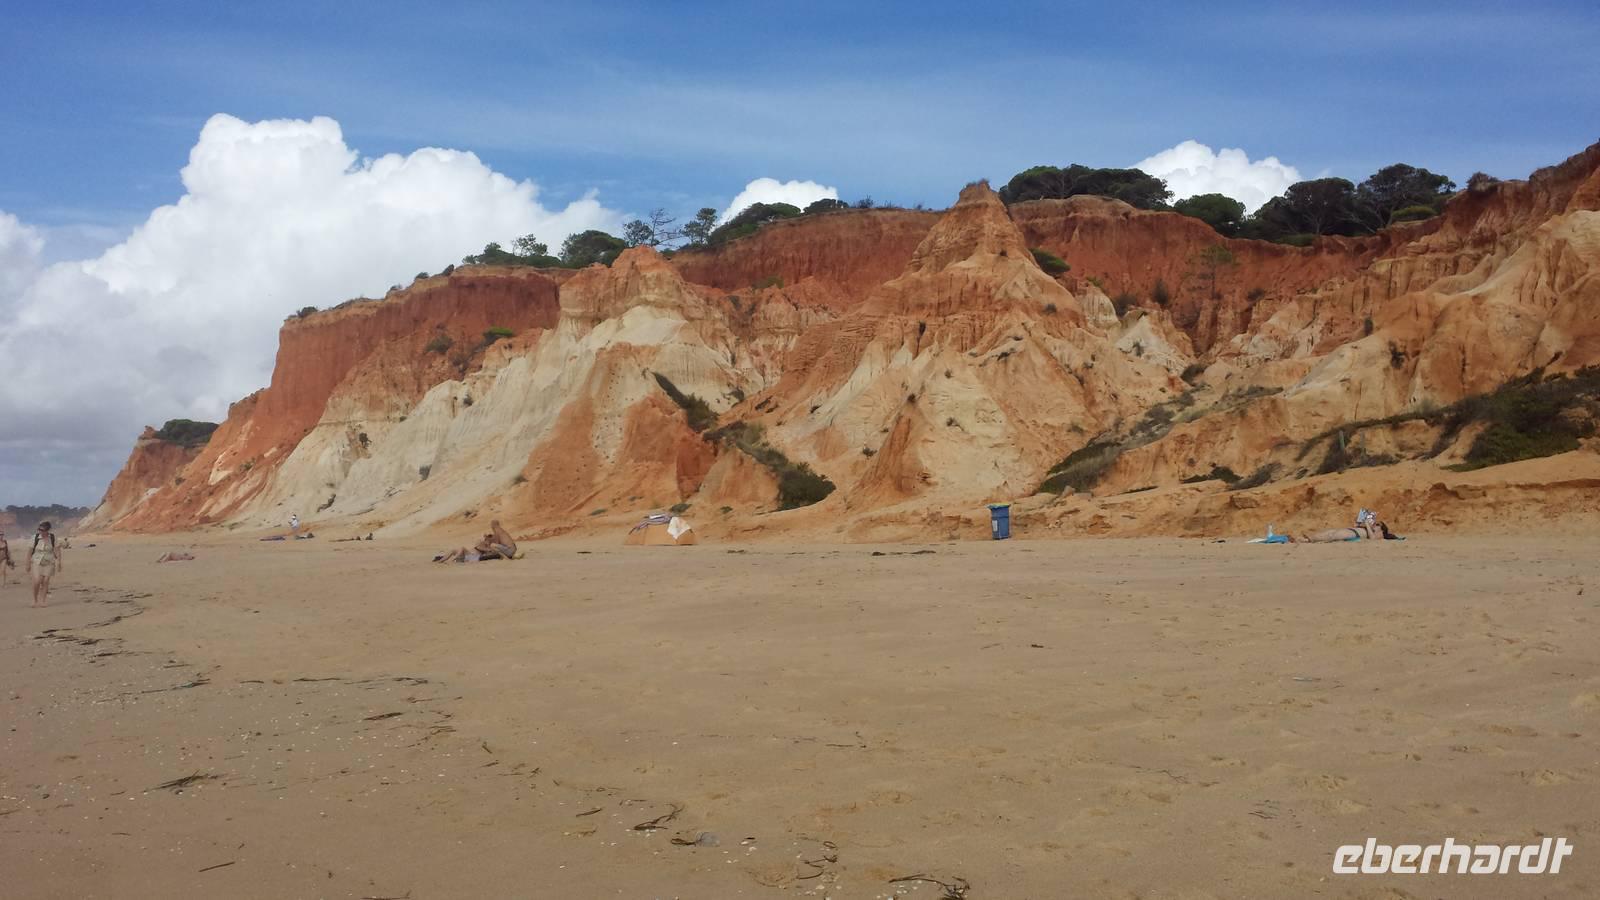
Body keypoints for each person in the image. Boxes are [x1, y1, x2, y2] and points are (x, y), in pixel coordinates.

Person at [434, 519, 517, 563]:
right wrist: (488, 540)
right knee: (454, 550)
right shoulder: (500, 530)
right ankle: (441, 560)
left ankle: (505, 558)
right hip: (511, 549)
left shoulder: (497, 530)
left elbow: (496, 543)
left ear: (493, 525)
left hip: (509, 550)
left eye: (491, 525)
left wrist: (488, 542)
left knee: (492, 546)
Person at [26, 521, 63, 608]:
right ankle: (34, 600)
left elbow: (57, 550)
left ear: (48, 530)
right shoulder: (35, 538)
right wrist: (27, 564)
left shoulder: (53, 538)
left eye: (43, 530)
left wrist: (59, 562)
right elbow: (29, 552)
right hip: (37, 561)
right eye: (39, 529)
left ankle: (43, 601)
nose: (41, 532)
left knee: (45, 581)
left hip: (49, 562)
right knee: (37, 581)